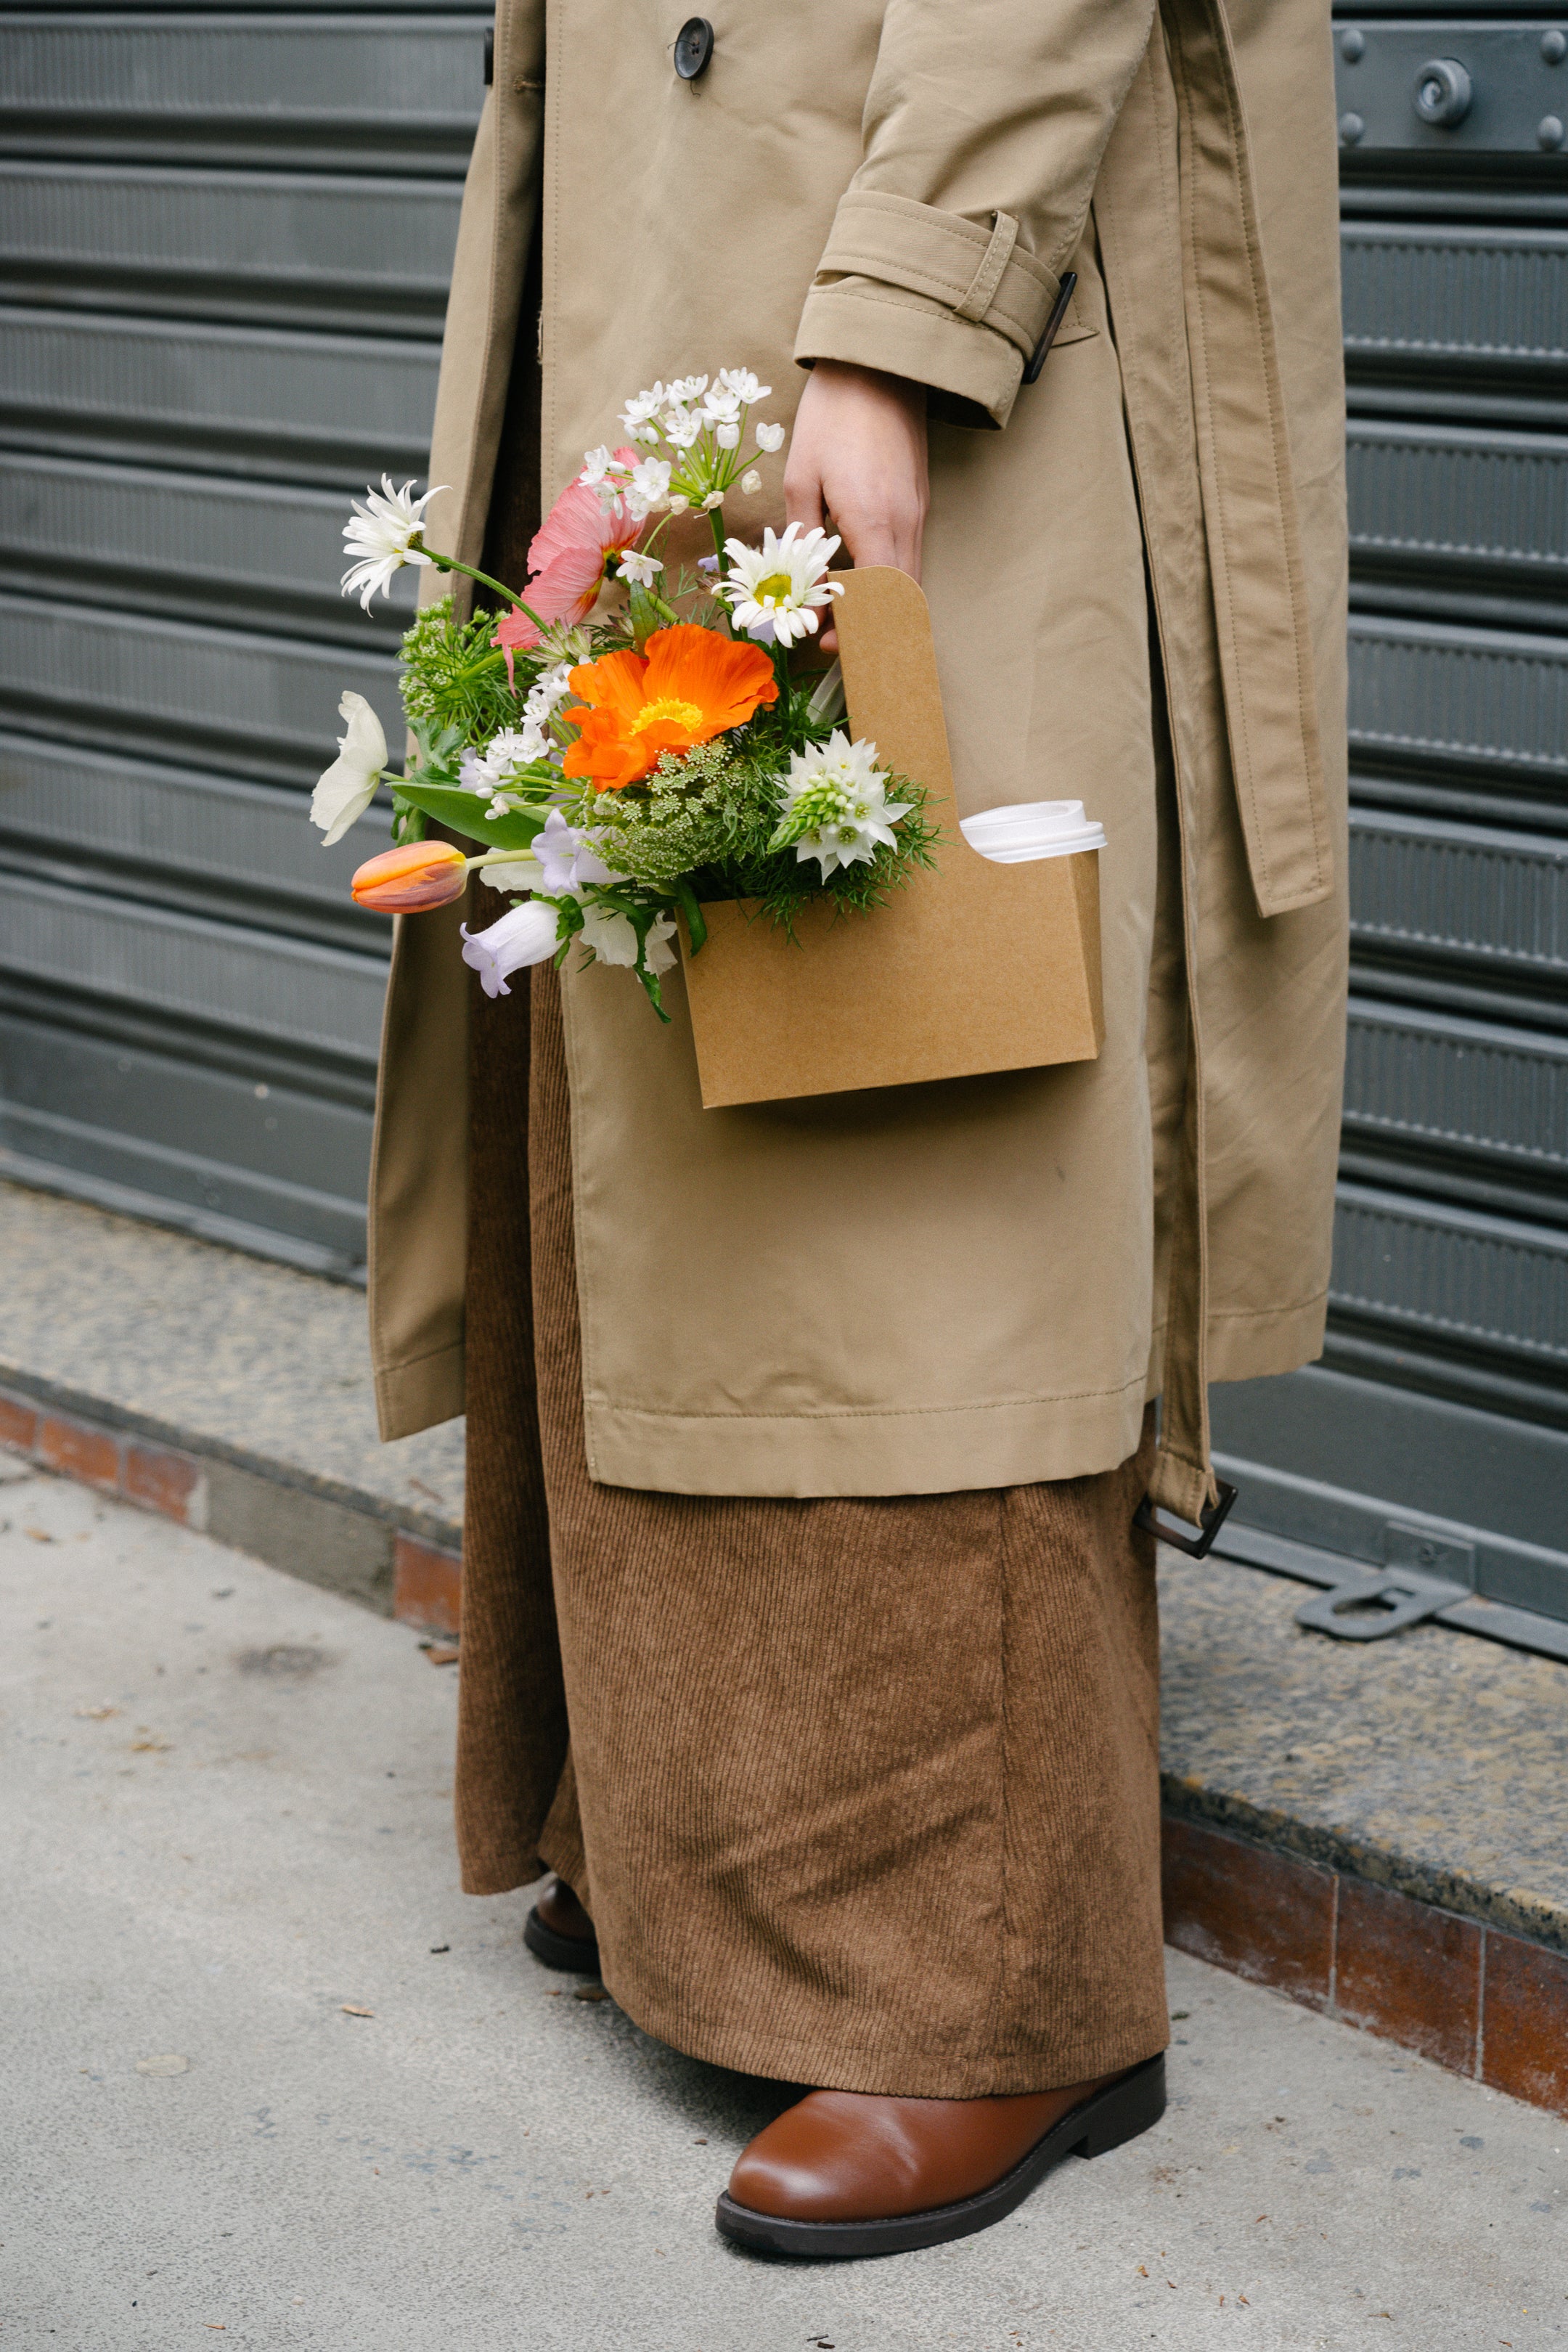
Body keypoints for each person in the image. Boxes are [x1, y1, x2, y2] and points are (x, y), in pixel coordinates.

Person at [366, 0, 1347, 2259]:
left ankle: (991, 1980)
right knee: (671, 1033)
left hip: (887, 274)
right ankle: (690, 1867)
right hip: (676, 229)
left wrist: (909, 318)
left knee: (914, 1133)